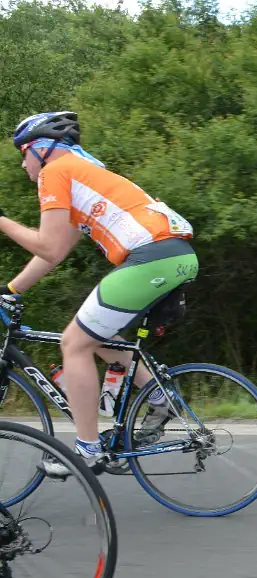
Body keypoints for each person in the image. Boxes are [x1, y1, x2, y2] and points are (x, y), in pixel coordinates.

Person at [4, 111, 198, 475]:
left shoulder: (54, 171)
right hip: (173, 255)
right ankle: (160, 397)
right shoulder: (81, 175)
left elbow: (46, 245)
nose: (22, 162)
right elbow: (55, 252)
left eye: (24, 152)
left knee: (73, 343)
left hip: (150, 258)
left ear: (43, 149)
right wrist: (12, 289)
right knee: (96, 335)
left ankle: (88, 451)